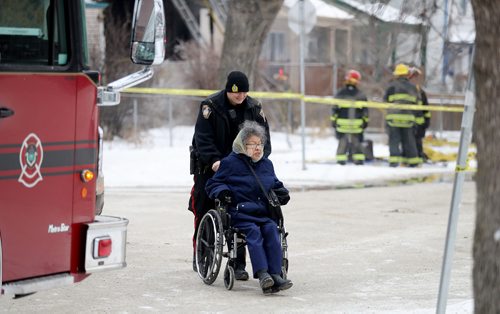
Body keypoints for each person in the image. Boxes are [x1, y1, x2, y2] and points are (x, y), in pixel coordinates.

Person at [188, 71, 271, 280]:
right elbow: (203, 140)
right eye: (236, 94)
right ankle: (202, 254)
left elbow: (264, 139)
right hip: (211, 168)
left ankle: (238, 262)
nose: (241, 97)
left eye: (244, 93)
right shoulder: (211, 107)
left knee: (240, 210)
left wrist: (257, 159)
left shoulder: (254, 108)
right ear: (228, 90)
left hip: (243, 169)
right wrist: (215, 161)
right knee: (204, 207)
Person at [205, 121, 292, 294]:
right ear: (242, 145)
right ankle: (263, 274)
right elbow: (213, 183)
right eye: (253, 144)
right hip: (240, 212)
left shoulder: (267, 164)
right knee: (254, 232)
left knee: (272, 230)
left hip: (263, 212)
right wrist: (223, 192)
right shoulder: (230, 163)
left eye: (260, 144)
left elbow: (274, 183)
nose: (258, 148)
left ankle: (275, 274)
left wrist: (282, 192)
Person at [384, 63, 424, 167]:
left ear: (396, 75)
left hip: (393, 119)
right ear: (407, 74)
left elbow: (386, 102)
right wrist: (420, 122)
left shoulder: (391, 87)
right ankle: (413, 162)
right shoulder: (413, 88)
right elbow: (418, 105)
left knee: (394, 141)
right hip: (408, 120)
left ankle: (394, 162)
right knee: (409, 141)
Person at [331, 69, 369, 165]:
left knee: (342, 143)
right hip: (357, 125)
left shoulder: (340, 93)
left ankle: (341, 160)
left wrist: (333, 121)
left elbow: (334, 109)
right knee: (357, 143)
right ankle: (359, 159)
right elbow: (365, 112)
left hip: (342, 125)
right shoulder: (361, 95)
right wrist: (365, 122)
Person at [409, 66, 431, 162]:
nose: (415, 79)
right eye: (413, 77)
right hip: (408, 122)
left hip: (419, 124)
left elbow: (426, 109)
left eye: (416, 77)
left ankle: (419, 156)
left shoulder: (421, 92)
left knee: (417, 141)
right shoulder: (406, 91)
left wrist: (426, 122)